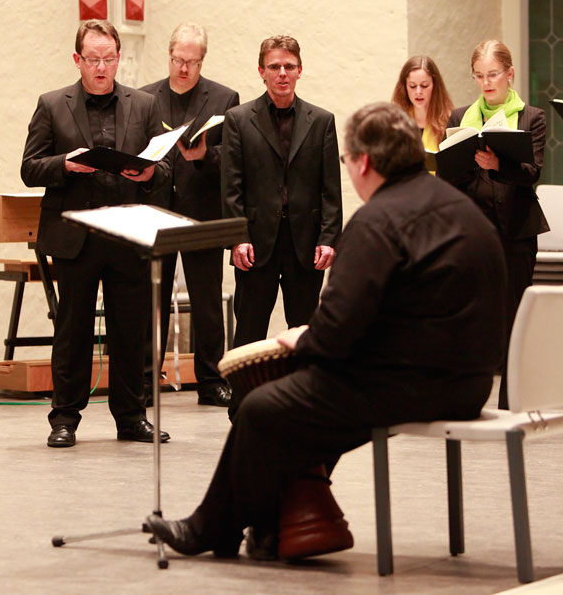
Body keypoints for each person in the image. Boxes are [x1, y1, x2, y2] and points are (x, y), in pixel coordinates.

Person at [146, 102, 506, 559]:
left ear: (364, 162)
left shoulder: (378, 220)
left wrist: (304, 339)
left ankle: (213, 528)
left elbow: (336, 334)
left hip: (414, 387)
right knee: (300, 403)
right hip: (469, 385)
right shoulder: (462, 210)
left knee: (262, 407)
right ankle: (278, 525)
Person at [21, 19, 169, 447]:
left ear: (119, 58)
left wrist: (150, 173)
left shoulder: (144, 104)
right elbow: (30, 167)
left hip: (127, 235)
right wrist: (65, 164)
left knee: (130, 330)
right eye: (93, 59)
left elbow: (165, 167)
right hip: (76, 236)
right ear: (77, 60)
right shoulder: (53, 104)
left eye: (108, 59)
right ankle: (64, 418)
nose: (101, 67)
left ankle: (131, 416)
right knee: (73, 331)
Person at [444, 39, 549, 409]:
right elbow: (451, 177)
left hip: (516, 230)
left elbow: (532, 172)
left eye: (493, 75)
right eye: (479, 76)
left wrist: (498, 166)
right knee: (470, 315)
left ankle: (511, 402)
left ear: (509, 74)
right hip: (472, 232)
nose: (486, 83)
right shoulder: (459, 118)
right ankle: (466, 399)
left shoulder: (531, 117)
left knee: (514, 317)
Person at [140, 23, 240, 408]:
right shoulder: (145, 98)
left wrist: (205, 155)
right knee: (153, 298)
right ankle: (147, 379)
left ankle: (211, 380)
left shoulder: (224, 98)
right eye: (178, 60)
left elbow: (234, 158)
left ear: (203, 60)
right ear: (169, 55)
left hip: (202, 211)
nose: (184, 68)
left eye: (192, 62)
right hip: (157, 212)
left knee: (207, 301)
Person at [221, 35, 342, 347]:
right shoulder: (238, 120)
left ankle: (303, 383)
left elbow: (330, 188)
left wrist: (328, 239)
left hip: (306, 243)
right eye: (274, 66)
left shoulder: (322, 121)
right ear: (261, 71)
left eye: (289, 66)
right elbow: (231, 187)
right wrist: (238, 238)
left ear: (300, 70)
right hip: (254, 242)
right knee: (249, 331)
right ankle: (246, 384)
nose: (282, 73)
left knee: (305, 333)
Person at [391, 55, 454, 171]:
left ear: (435, 86)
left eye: (424, 86)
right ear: (404, 87)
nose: (418, 92)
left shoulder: (449, 120)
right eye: (412, 86)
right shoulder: (395, 121)